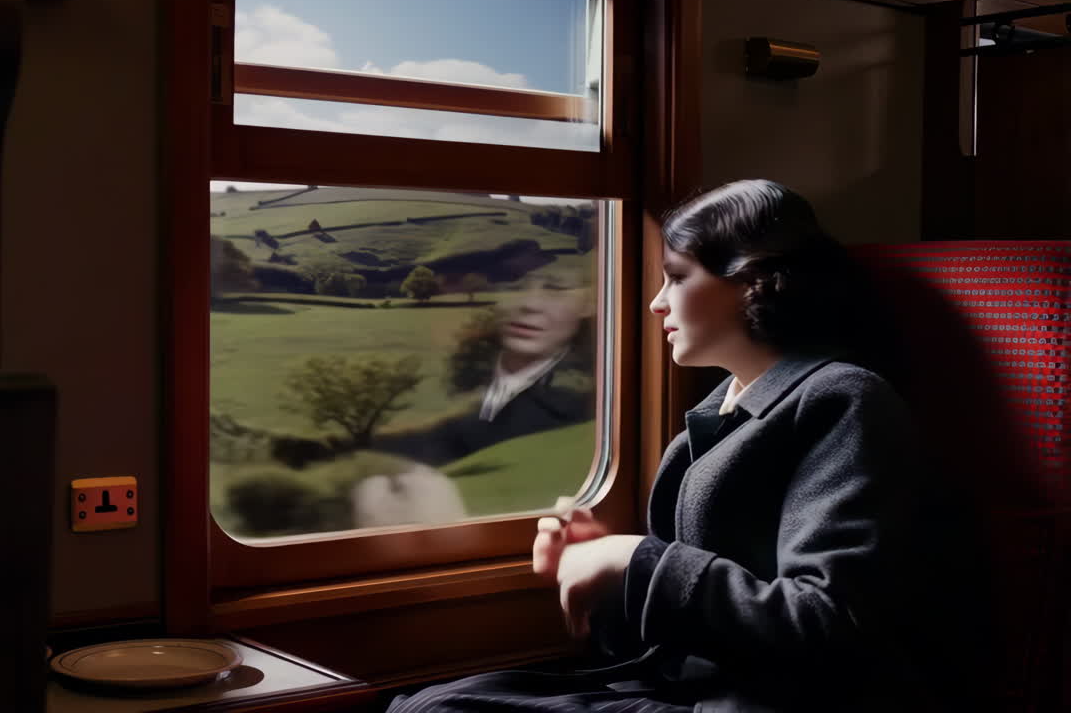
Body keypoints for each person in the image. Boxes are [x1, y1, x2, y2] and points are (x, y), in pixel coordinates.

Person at [386, 180, 987, 712]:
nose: (656, 302)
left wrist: (636, 562)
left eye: (676, 277)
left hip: (780, 701)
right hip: (698, 689)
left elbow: (827, 620)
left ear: (751, 282)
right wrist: (608, 579)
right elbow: (686, 630)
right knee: (427, 702)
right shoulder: (717, 414)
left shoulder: (844, 401)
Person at [374, 261, 597, 467]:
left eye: (555, 288)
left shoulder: (585, 406)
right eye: (514, 285)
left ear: (590, 303)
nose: (529, 304)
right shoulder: (459, 369)